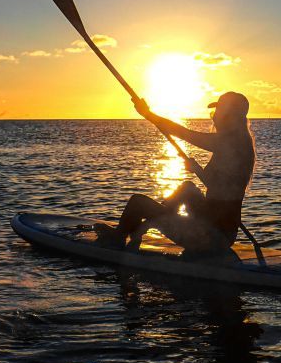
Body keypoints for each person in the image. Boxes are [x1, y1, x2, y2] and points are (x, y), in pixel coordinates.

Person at [95, 91, 256, 254]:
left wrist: (148, 114)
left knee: (137, 202)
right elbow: (222, 191)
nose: (214, 115)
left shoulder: (230, 142)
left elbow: (184, 134)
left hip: (210, 238)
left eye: (219, 111)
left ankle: (120, 238)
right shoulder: (240, 142)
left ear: (231, 115)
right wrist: (196, 169)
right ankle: (153, 220)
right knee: (187, 187)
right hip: (220, 233)